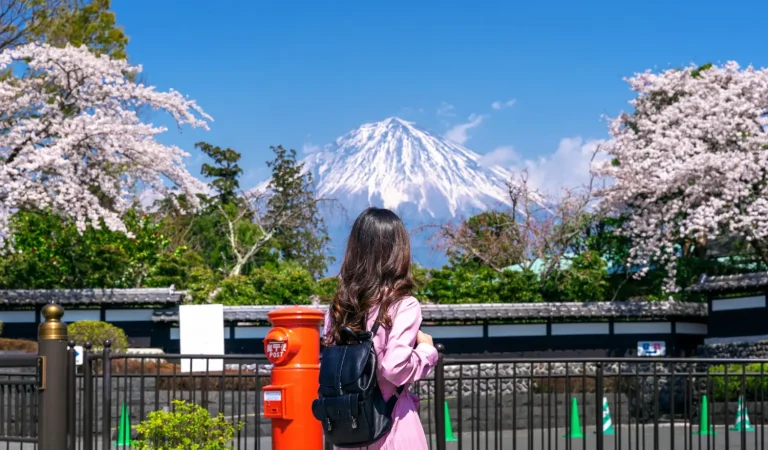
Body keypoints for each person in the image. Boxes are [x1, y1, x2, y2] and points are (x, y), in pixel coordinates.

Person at [322, 207, 438, 450]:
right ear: (399, 251)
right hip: (392, 426)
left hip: (350, 431)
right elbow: (393, 367)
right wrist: (427, 351)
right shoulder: (402, 304)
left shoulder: (338, 307)